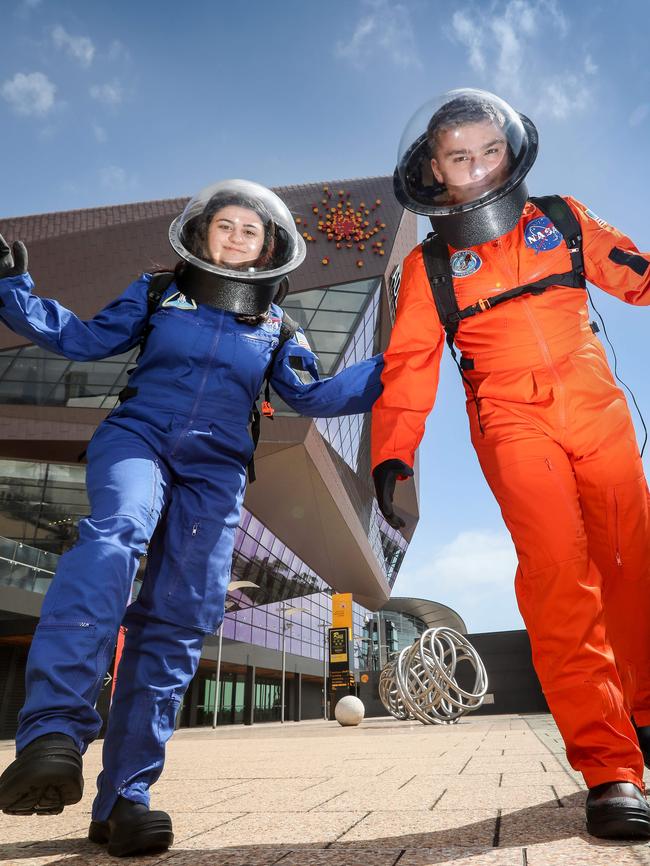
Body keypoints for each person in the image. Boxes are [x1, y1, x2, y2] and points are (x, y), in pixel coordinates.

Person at [0, 179, 384, 856]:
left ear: (270, 246)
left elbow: (315, 394)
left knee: (179, 618)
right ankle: (53, 736)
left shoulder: (278, 326)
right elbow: (84, 342)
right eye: (225, 226)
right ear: (202, 233)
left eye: (250, 231)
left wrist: (402, 362)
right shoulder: (157, 292)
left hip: (218, 469)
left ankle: (125, 800)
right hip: (139, 438)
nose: (236, 238)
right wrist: (12, 288)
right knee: (114, 537)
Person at [373, 88, 650, 839]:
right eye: (459, 156)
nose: (478, 165)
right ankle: (610, 769)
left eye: (488, 149)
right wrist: (392, 453)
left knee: (632, 562)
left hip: (597, 408)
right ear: (434, 170)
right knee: (560, 575)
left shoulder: (561, 218)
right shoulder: (432, 268)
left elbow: (635, 271)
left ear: (511, 149)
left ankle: (646, 720)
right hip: (510, 422)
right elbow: (407, 368)